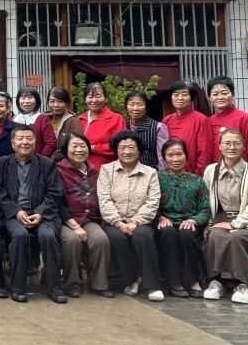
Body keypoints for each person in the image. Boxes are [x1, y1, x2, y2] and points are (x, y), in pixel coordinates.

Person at [0, 125, 66, 304]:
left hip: (43, 214)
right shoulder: (2, 163)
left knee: (48, 236)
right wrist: (16, 211)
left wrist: (40, 213)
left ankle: (54, 288)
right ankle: (17, 287)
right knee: (19, 235)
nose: (24, 142)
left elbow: (55, 193)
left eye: (29, 138)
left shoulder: (47, 164)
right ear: (12, 143)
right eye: (20, 138)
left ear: (35, 142)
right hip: (14, 214)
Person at [203, 129, 248, 303]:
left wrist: (236, 224)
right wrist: (208, 223)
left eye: (236, 143)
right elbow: (206, 200)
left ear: (244, 146)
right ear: (219, 146)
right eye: (227, 143)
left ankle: (247, 285)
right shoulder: (211, 170)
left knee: (237, 237)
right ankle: (216, 281)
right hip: (221, 220)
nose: (231, 147)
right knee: (213, 236)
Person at [99, 129, 164, 301]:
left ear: (138, 150)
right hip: (115, 222)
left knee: (143, 236)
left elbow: (152, 201)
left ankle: (153, 285)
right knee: (116, 238)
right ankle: (132, 279)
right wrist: (119, 223)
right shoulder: (106, 170)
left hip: (141, 222)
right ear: (116, 150)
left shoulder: (150, 172)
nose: (126, 151)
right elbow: (104, 200)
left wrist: (135, 222)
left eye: (131, 147)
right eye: (122, 148)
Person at [55, 132, 113, 298]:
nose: (79, 150)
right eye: (74, 146)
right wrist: (74, 226)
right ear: (66, 150)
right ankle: (72, 283)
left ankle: (99, 284)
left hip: (89, 218)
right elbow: (57, 201)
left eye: (83, 146)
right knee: (72, 241)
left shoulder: (94, 171)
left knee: (100, 240)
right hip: (65, 219)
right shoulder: (58, 170)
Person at [155, 138, 211, 298]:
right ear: (164, 158)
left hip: (189, 222)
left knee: (187, 234)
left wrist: (194, 220)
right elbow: (150, 204)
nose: (175, 159)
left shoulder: (197, 181)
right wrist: (160, 218)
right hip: (165, 221)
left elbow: (205, 209)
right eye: (170, 155)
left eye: (179, 154)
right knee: (169, 233)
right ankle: (173, 281)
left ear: (186, 155)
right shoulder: (157, 178)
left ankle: (193, 280)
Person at [206, 76, 248, 165]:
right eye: (215, 94)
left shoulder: (245, 119)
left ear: (233, 95)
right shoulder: (208, 121)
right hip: (216, 170)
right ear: (210, 98)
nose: (220, 97)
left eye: (224, 93)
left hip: (241, 169)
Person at [163, 81, 212, 175]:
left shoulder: (201, 120)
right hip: (170, 174)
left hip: (193, 175)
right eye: (176, 94)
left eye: (184, 94)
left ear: (191, 98)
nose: (180, 98)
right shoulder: (166, 120)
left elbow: (204, 153)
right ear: (171, 97)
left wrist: (198, 176)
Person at [78, 82, 125, 170]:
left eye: (98, 96)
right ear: (85, 100)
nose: (94, 100)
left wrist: (93, 148)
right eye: (90, 97)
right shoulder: (80, 119)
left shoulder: (116, 119)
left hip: (106, 170)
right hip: (80, 170)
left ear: (105, 98)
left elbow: (119, 146)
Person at [124, 90, 168, 169]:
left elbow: (162, 156)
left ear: (146, 107)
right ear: (126, 107)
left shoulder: (158, 127)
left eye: (140, 104)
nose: (135, 108)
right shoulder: (123, 126)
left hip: (151, 172)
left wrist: (162, 174)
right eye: (131, 104)